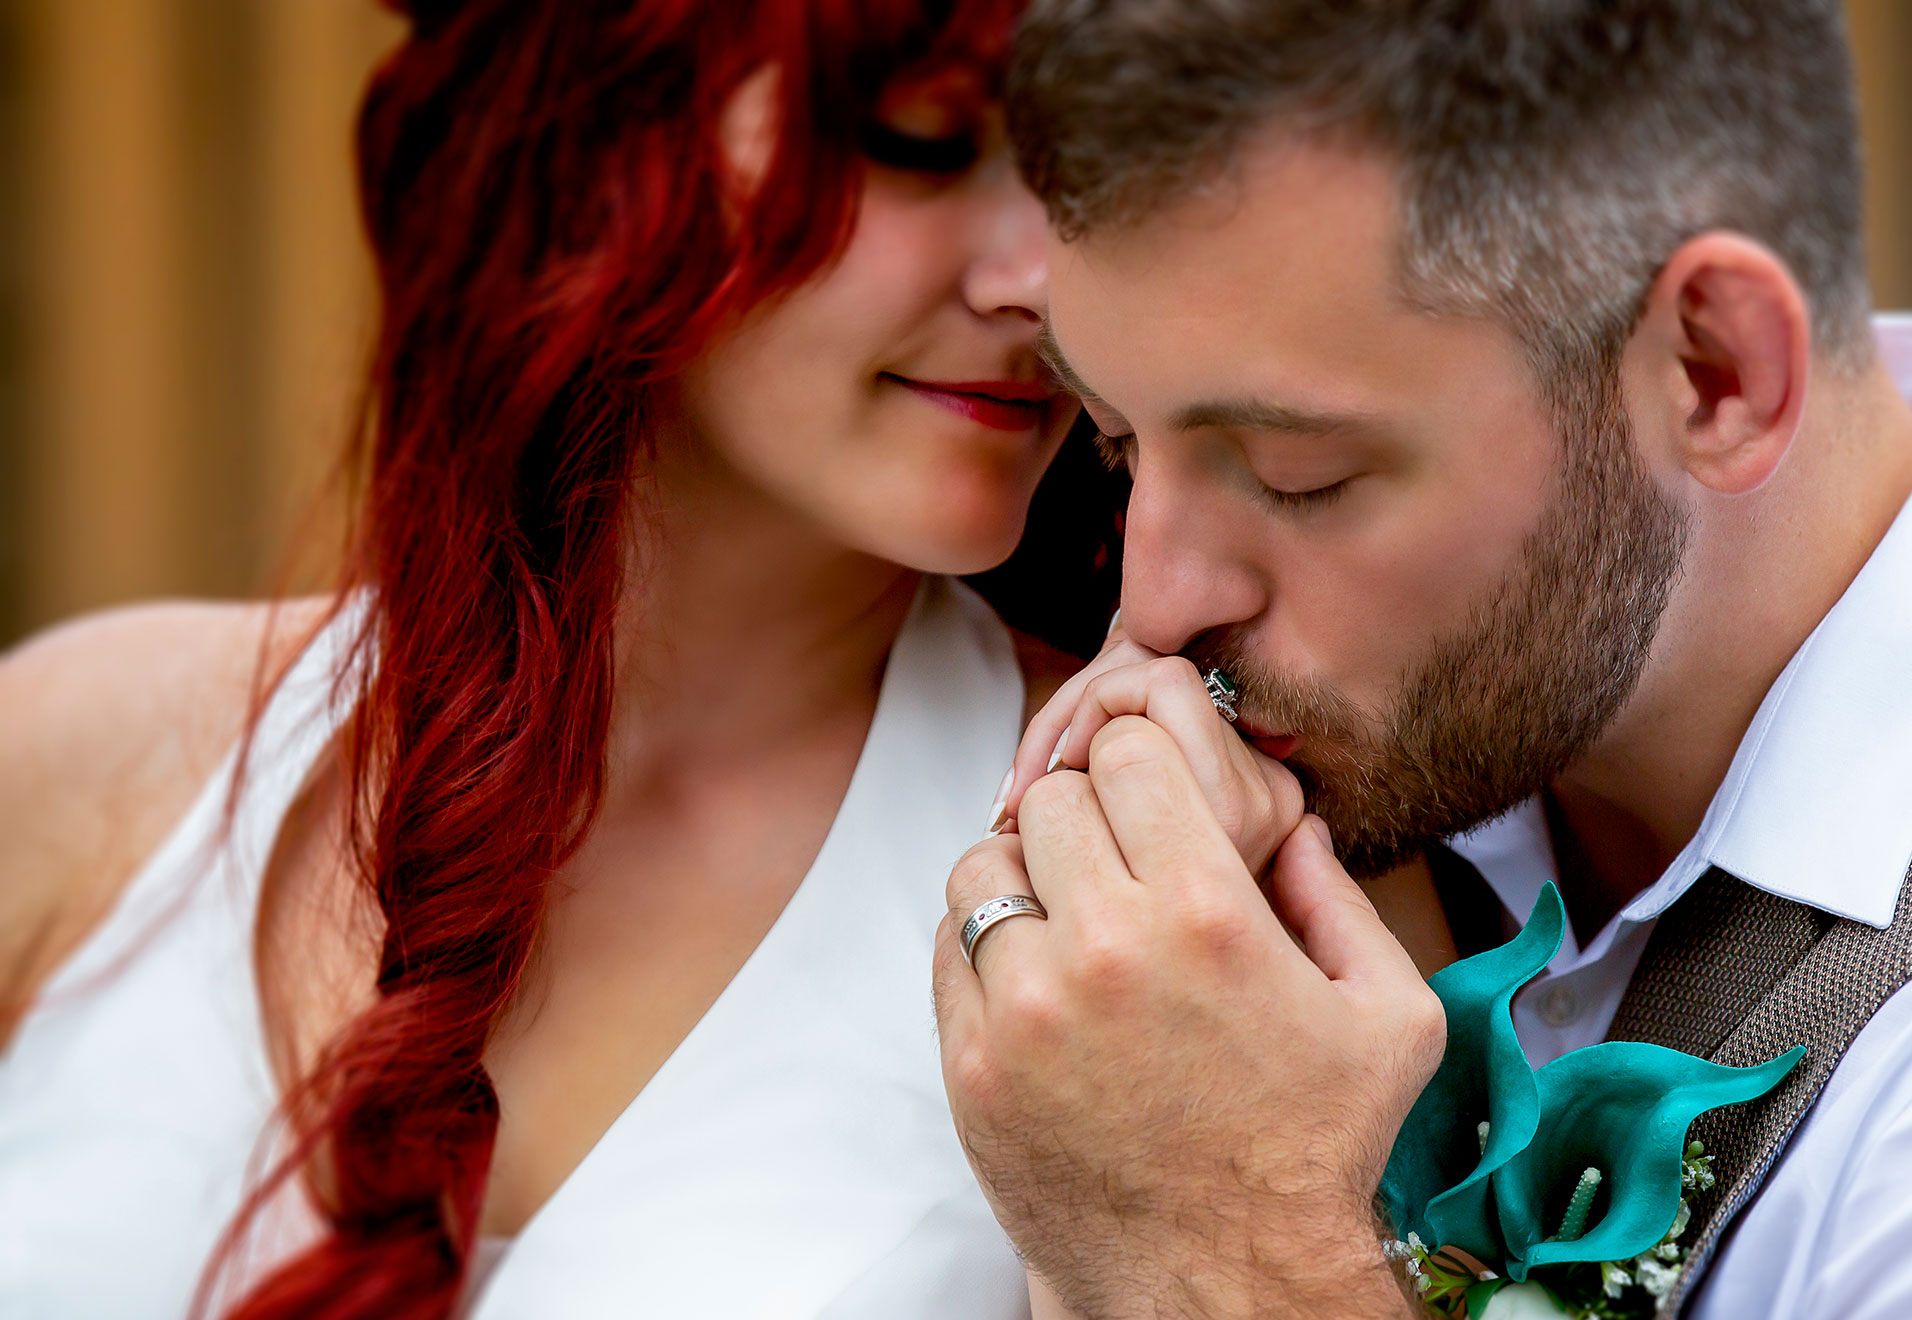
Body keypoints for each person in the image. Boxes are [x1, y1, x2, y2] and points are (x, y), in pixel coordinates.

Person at [938, 2, 1912, 1318]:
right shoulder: (1420, 782)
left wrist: (1225, 1249)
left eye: (1296, 469)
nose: (1157, 601)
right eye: (1121, 444)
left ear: (1713, 372)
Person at [0, 2, 1106, 1317]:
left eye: (1094, 171)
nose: (1041, 280)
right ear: (591, 131)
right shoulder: (80, 757)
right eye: (922, 139)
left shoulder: (1159, 883)